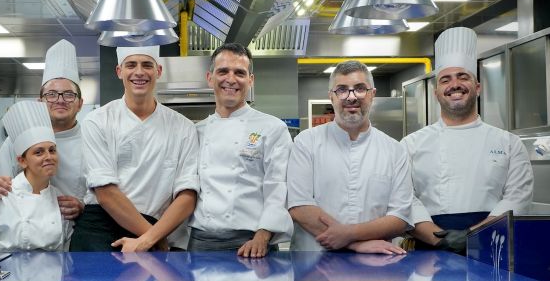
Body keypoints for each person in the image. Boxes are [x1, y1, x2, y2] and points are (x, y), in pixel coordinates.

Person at [402, 27, 534, 253]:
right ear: (436, 93)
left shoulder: (509, 143)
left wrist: (471, 237)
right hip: (429, 250)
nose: (455, 84)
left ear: (478, 87)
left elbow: (517, 199)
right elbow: (404, 199)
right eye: (445, 79)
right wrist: (440, 240)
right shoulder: (410, 144)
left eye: (463, 77)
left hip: (492, 245)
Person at [70, 45, 199, 252]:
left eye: (147, 65)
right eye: (131, 65)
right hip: (101, 229)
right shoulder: (98, 121)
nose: (139, 72)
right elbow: (105, 193)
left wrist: (149, 239)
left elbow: (187, 195)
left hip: (158, 229)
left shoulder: (183, 127)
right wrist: (154, 240)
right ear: (119, 71)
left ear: (158, 71)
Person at [287, 60, 411, 254]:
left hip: (376, 268)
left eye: (360, 89)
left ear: (372, 94)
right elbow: (299, 207)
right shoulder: (306, 142)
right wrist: (356, 244)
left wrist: (348, 234)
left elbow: (399, 218)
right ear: (331, 97)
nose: (351, 97)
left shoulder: (395, 150)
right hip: (314, 267)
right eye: (342, 90)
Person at [188, 42, 292, 258]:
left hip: (252, 244)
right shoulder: (195, 132)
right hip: (201, 243)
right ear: (210, 78)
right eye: (223, 71)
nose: (231, 79)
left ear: (250, 80)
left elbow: (278, 187)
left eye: (240, 73)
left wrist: (262, 236)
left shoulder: (272, 128)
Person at [0, 39, 85, 221]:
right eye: (51, 94)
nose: (60, 100)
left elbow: (105, 194)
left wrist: (83, 207)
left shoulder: (93, 140)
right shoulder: (17, 138)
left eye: (69, 95)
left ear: (80, 104)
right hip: (25, 231)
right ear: (40, 102)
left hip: (76, 234)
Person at [0, 101, 69, 252]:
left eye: (52, 150)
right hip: (8, 274)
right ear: (22, 161)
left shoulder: (59, 199)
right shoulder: (0, 196)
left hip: (51, 274)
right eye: (39, 152)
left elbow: (64, 252)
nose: (48, 157)